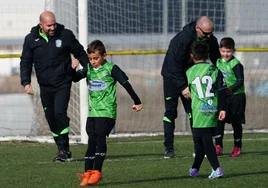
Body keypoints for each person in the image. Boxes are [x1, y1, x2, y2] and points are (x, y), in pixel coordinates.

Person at [20, 11, 89, 162]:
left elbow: (80, 52)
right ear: (41, 25)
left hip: (63, 82)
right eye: (49, 25)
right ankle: (62, 149)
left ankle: (64, 150)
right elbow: (25, 61)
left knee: (59, 113)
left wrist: (89, 70)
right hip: (44, 86)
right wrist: (26, 82)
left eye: (54, 24)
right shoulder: (31, 39)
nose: (52, 28)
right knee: (51, 117)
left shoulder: (65, 35)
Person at [73, 40, 143, 186]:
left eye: (96, 58)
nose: (93, 62)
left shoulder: (112, 68)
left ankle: (97, 172)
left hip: (107, 112)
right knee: (91, 141)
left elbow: (126, 84)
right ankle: (87, 174)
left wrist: (137, 101)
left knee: (99, 139)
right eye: (90, 59)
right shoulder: (88, 69)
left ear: (104, 56)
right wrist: (71, 69)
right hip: (93, 113)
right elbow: (74, 78)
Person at [161, 16, 221, 158]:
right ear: (197, 28)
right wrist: (183, 87)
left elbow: (216, 60)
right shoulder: (182, 39)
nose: (209, 36)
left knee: (194, 112)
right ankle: (169, 149)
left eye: (211, 33)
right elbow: (173, 65)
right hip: (172, 77)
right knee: (170, 112)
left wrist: (222, 80)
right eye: (205, 33)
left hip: (192, 77)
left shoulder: (210, 40)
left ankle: (199, 148)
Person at [186, 41, 226, 179]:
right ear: (208, 55)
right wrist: (222, 109)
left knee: (205, 139)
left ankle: (216, 168)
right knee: (199, 139)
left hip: (199, 112)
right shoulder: (215, 70)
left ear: (192, 56)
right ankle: (195, 168)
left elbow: (187, 93)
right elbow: (222, 91)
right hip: (212, 110)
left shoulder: (189, 72)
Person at [214, 37, 246, 157]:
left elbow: (240, 81)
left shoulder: (236, 64)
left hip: (236, 97)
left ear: (233, 51)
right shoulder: (218, 62)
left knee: (236, 123)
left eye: (228, 51)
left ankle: (237, 147)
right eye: (223, 51)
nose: (226, 54)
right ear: (219, 50)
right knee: (219, 121)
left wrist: (229, 89)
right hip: (223, 97)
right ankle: (218, 146)